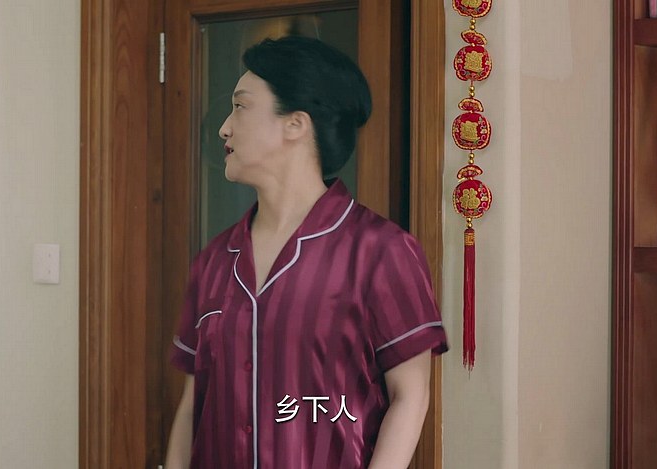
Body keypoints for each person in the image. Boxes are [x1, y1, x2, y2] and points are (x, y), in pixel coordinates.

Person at [165, 35, 448, 469]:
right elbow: (192, 407)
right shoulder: (214, 262)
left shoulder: (381, 251)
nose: (224, 127)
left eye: (240, 107)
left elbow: (411, 396)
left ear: (295, 124)